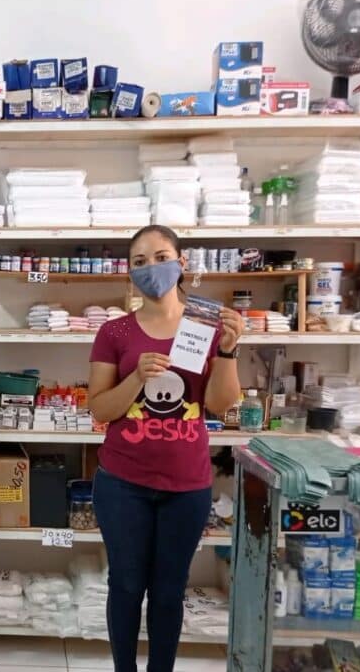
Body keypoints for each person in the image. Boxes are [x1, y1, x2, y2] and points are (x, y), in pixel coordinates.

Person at [88, 225, 243, 672]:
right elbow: (100, 408)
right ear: (129, 272)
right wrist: (137, 378)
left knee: (169, 591)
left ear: (181, 263)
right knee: (125, 586)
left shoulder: (207, 328)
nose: (151, 268)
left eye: (160, 257)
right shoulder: (115, 332)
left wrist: (229, 351)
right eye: (139, 261)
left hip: (187, 486)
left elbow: (220, 405)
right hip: (122, 483)